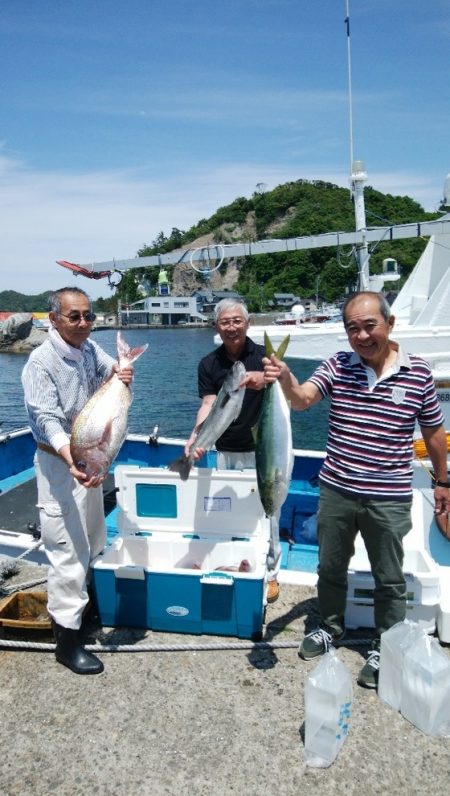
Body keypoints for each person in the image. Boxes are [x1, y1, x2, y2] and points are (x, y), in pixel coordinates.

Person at [263, 290, 449, 687]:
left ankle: (387, 643)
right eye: (352, 329)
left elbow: (433, 432)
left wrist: (443, 480)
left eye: (369, 326)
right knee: (330, 566)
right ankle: (330, 626)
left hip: (389, 495)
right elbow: (302, 399)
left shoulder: (418, 373)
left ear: (389, 324)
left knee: (389, 575)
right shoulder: (338, 365)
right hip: (337, 490)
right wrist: (284, 378)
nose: (362, 336)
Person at [22, 287, 134, 675]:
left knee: (93, 537)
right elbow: (45, 420)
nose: (85, 323)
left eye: (89, 315)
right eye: (75, 317)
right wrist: (74, 458)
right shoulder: (40, 362)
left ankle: (84, 611)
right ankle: (66, 644)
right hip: (61, 466)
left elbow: (110, 373)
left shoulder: (88, 349)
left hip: (89, 462)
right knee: (67, 552)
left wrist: (123, 372)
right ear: (54, 319)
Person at [185, 298, 280, 603]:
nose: (231, 327)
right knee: (231, 512)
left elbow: (282, 384)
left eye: (237, 320)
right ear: (217, 326)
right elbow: (209, 404)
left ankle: (271, 573)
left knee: (269, 510)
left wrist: (263, 379)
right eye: (225, 322)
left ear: (247, 323)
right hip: (225, 449)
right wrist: (196, 438)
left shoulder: (265, 355)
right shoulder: (208, 364)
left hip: (262, 449)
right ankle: (236, 564)